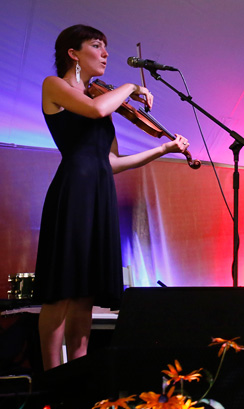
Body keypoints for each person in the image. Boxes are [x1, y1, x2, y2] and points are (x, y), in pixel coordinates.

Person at [35, 25, 189, 370]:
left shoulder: (98, 97)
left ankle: (79, 374)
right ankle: (50, 378)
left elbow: (113, 163)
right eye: (96, 46)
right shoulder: (55, 86)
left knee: (84, 295)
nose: (105, 53)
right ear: (74, 53)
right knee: (61, 289)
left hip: (100, 192)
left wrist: (163, 148)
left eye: (105, 47)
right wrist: (133, 85)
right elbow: (97, 112)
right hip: (73, 190)